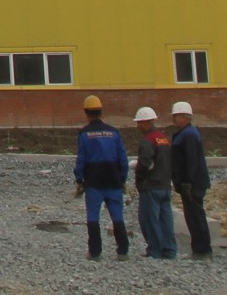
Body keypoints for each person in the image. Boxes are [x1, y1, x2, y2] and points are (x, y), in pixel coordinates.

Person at [71, 95, 130, 259]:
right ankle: (123, 250)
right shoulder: (113, 132)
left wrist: (80, 179)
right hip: (113, 179)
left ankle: (95, 252)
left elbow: (81, 159)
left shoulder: (84, 134)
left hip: (94, 181)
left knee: (93, 216)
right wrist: (122, 178)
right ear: (101, 111)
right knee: (117, 215)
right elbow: (123, 158)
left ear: (86, 112)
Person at [168, 99, 214, 258]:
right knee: (193, 215)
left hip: (193, 184)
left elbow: (191, 160)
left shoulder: (188, 135)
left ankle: (202, 249)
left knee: (195, 216)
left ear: (186, 117)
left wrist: (188, 181)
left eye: (177, 116)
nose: (174, 119)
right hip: (190, 183)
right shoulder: (185, 133)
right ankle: (200, 247)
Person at [132, 105, 178, 259]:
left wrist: (138, 174)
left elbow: (145, 163)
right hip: (165, 185)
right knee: (166, 219)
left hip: (150, 186)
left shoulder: (147, 140)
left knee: (150, 220)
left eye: (139, 123)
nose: (138, 126)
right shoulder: (163, 138)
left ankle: (155, 251)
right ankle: (169, 250)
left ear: (145, 122)